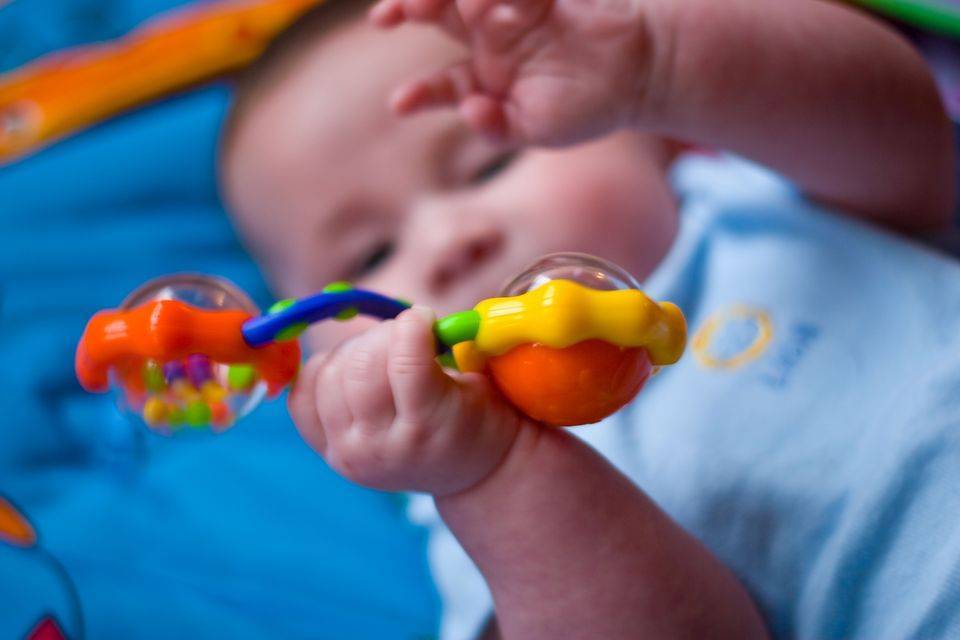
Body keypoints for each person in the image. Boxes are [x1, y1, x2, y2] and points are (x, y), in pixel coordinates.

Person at [220, 1, 959, 637]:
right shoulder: (470, 503)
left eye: (487, 166)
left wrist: (657, 66)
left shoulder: (756, 196)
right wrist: (498, 474)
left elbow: (918, 136)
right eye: (371, 254)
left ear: (655, 139)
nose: (447, 241)